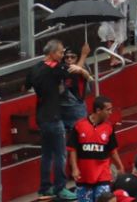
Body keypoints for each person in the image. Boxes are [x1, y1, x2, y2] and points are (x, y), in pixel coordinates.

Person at [28, 40, 92, 202]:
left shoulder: (35, 68)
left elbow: (24, 86)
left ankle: (44, 188)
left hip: (41, 115)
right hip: (54, 117)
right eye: (61, 53)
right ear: (52, 53)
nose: (63, 56)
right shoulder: (55, 68)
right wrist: (83, 57)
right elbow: (73, 72)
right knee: (60, 154)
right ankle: (60, 187)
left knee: (47, 154)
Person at [69, 96, 123, 202]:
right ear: (98, 110)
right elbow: (72, 149)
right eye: (108, 110)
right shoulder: (79, 125)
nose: (111, 112)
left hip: (103, 175)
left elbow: (113, 150)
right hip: (83, 176)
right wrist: (75, 168)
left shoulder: (109, 127)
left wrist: (120, 166)